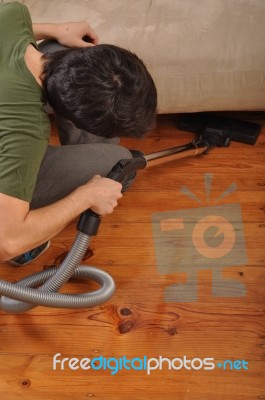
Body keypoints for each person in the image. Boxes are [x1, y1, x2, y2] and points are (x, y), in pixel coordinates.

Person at [0, 2, 157, 265]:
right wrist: (86, 195)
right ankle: (31, 224)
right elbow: (6, 242)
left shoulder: (13, 15)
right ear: (79, 120)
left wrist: (54, 30)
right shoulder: (25, 134)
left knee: (57, 48)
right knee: (119, 163)